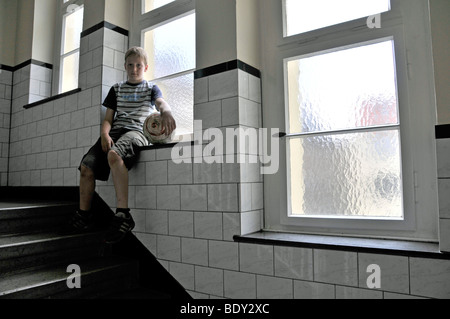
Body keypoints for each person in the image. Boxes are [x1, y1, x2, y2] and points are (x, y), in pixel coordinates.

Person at [71, 46, 176, 243]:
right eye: (130, 65)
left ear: (145, 67)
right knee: (86, 167)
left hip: (137, 132)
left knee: (114, 155)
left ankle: (123, 214)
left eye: (138, 65)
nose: (134, 69)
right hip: (115, 131)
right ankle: (84, 216)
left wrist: (167, 112)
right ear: (125, 66)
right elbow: (108, 118)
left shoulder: (151, 88)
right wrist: (104, 134)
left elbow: (161, 103)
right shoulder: (116, 89)